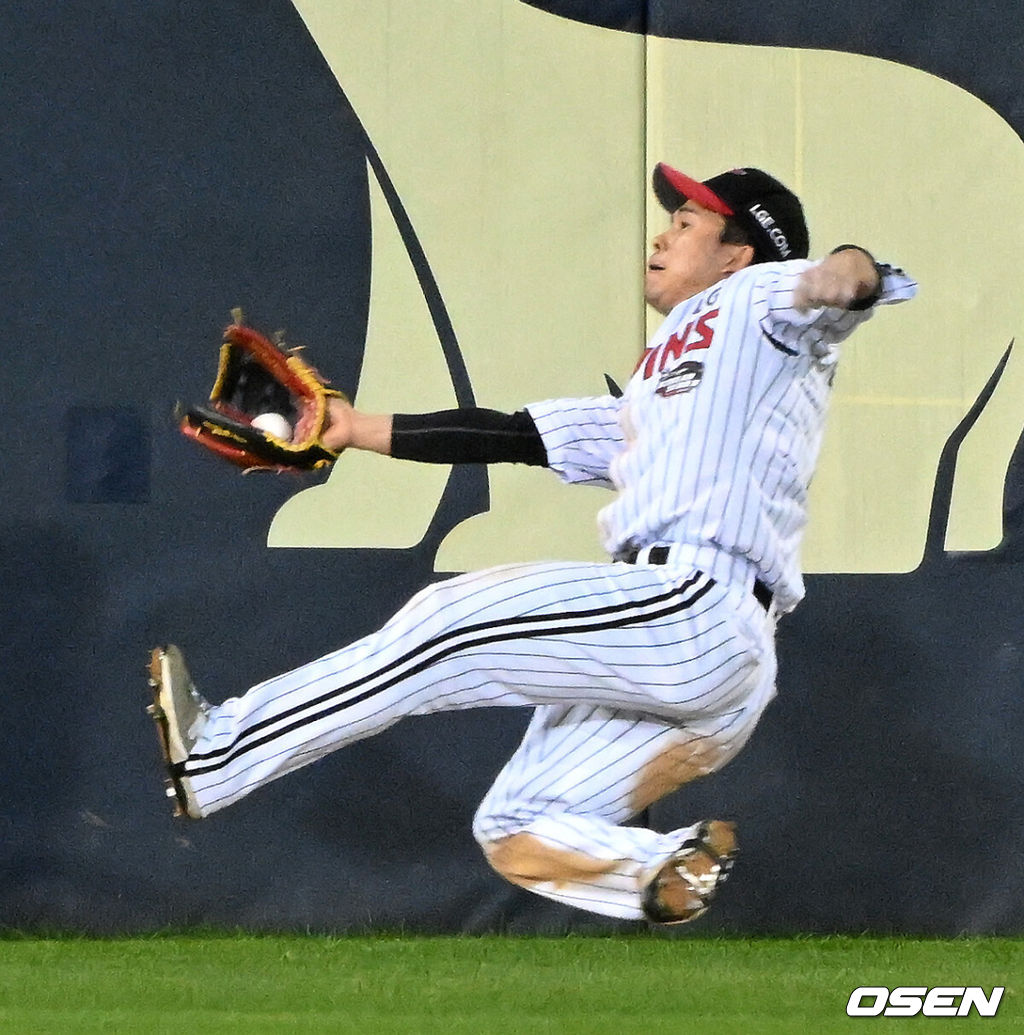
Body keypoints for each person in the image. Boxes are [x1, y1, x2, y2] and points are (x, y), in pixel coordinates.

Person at [148, 163, 917, 925]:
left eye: (687, 223)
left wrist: (848, 275)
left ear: (736, 254)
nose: (662, 233)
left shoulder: (756, 299)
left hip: (695, 607)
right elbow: (518, 435)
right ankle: (662, 865)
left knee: (447, 621)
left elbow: (838, 283)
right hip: (716, 669)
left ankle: (220, 753)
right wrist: (354, 430)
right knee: (517, 825)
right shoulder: (669, 385)